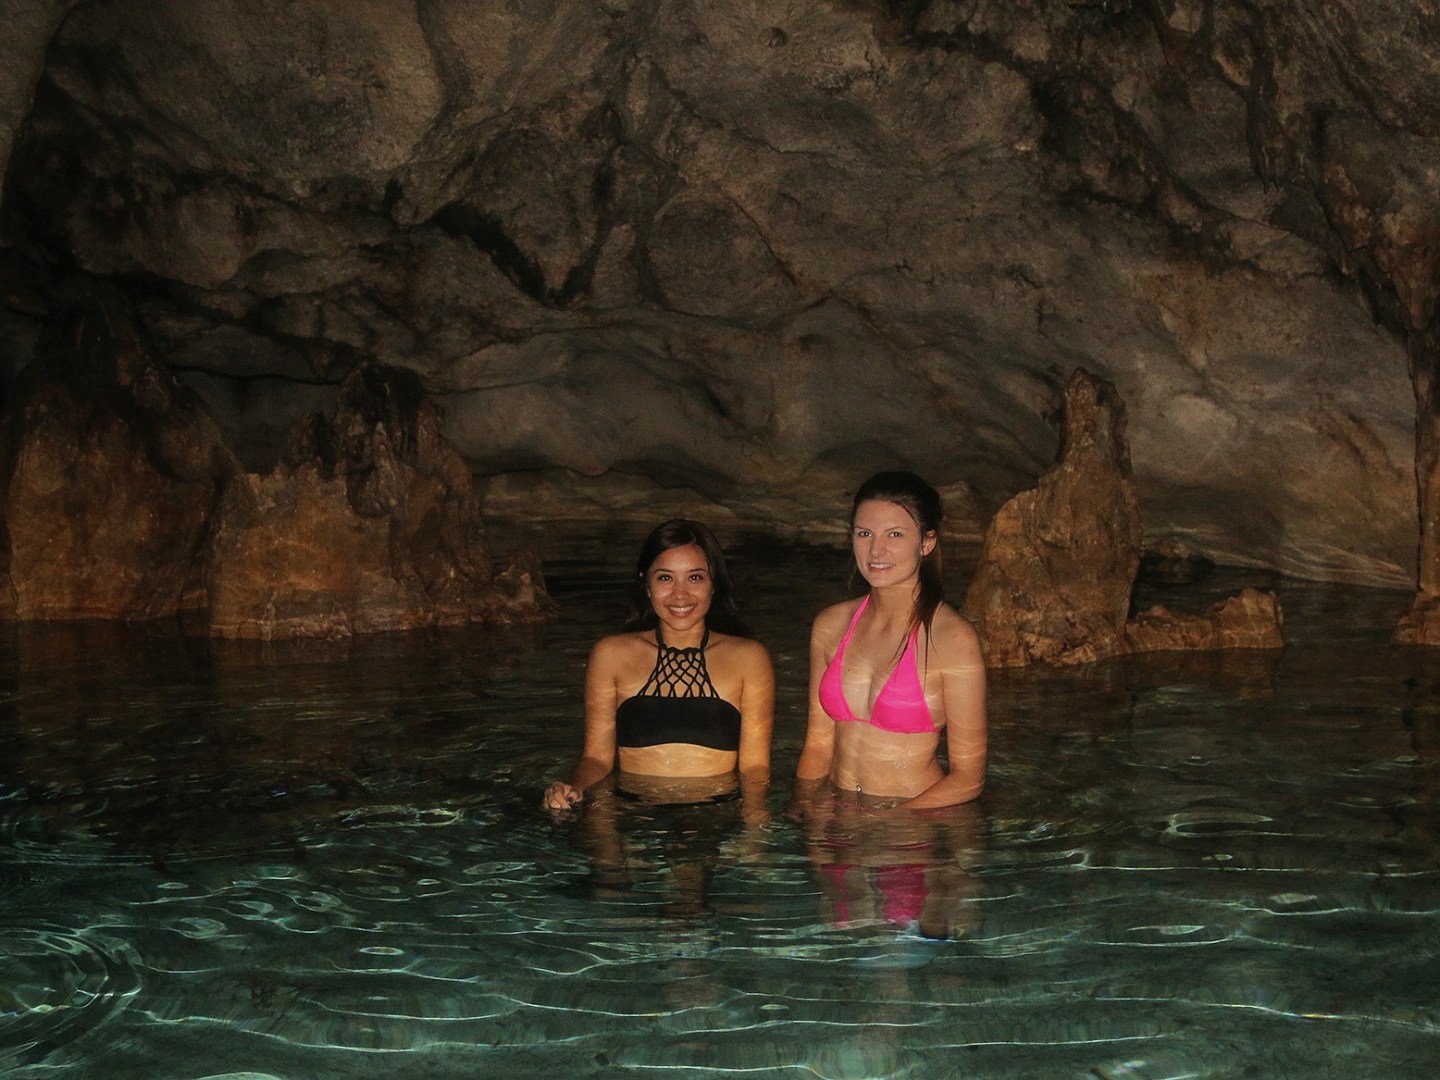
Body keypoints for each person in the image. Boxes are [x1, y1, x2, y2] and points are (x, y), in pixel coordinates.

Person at [543, 519, 774, 813]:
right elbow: (597, 760)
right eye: (665, 578)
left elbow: (755, 769)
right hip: (634, 815)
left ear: (714, 584)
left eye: (695, 578)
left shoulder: (749, 658)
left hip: (715, 818)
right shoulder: (611, 654)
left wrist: (754, 838)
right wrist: (572, 788)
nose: (680, 595)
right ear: (646, 584)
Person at [796, 471, 987, 809]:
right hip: (839, 816)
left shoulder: (953, 639)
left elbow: (969, 778)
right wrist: (806, 810)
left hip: (916, 822)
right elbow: (817, 744)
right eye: (864, 533)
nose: (876, 550)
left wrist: (895, 824)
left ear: (926, 542)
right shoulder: (831, 625)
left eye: (895, 534)